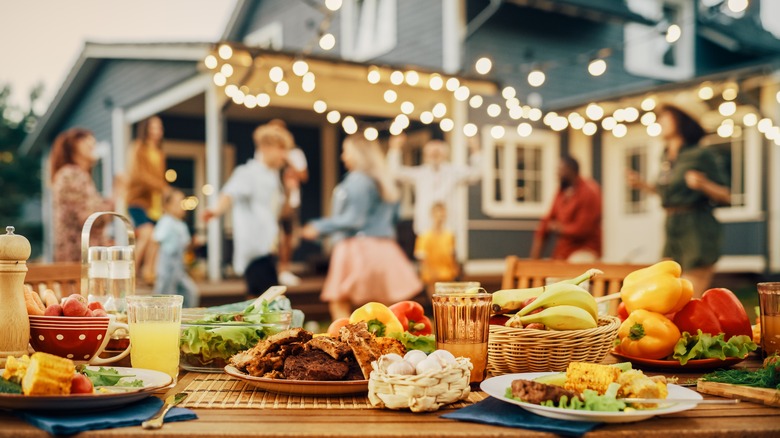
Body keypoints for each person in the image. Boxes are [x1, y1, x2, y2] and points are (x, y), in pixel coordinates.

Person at [301, 135, 422, 321]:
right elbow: (395, 217)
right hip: (385, 249)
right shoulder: (385, 181)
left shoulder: (357, 181)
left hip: (358, 248)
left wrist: (318, 227)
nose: (343, 156)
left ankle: (344, 346)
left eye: (346, 151)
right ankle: (387, 346)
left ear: (358, 154)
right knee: (384, 310)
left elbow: (353, 219)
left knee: (339, 302)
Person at [628, 104, 730, 296]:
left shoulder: (701, 154)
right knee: (665, 289)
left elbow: (726, 195)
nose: (660, 121)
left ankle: (694, 327)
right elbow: (668, 192)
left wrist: (704, 184)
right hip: (672, 225)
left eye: (666, 117)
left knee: (689, 295)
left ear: (682, 121)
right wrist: (642, 185)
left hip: (697, 227)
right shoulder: (666, 156)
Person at [203, 123, 293, 297]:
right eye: (281, 149)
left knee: (261, 298)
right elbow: (229, 193)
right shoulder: (248, 173)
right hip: (254, 249)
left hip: (267, 248)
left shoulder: (273, 176)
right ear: (266, 148)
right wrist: (215, 210)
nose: (285, 155)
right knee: (272, 300)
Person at [49, 128, 125, 262]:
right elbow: (91, 219)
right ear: (73, 146)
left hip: (81, 259)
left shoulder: (79, 175)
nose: (92, 142)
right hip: (78, 261)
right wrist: (116, 193)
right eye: (85, 139)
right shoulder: (71, 175)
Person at [387, 134, 482, 240]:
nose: (435, 155)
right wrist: (394, 149)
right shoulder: (420, 173)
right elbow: (395, 172)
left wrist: (475, 150)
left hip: (448, 226)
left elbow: (476, 174)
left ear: (445, 154)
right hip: (425, 226)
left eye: (438, 152)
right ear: (425, 155)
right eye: (431, 153)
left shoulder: (454, 172)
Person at [530, 155, 603, 262]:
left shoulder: (589, 191)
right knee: (549, 273)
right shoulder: (561, 192)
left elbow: (583, 229)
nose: (557, 174)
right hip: (563, 251)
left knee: (573, 268)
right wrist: (534, 259)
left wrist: (559, 228)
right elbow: (548, 219)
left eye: (560, 170)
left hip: (585, 249)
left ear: (570, 170)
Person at [126, 116, 168, 285]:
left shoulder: (159, 152)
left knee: (155, 238)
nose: (156, 131)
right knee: (146, 233)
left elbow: (159, 179)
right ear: (146, 129)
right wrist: (162, 186)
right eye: (153, 127)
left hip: (154, 203)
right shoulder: (138, 148)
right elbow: (138, 175)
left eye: (159, 127)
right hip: (138, 199)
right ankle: (130, 272)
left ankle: (149, 273)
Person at [268, 119, 308, 287]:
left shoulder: (295, 153)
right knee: (271, 237)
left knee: (287, 236)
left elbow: (304, 176)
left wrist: (287, 159)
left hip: (290, 201)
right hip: (270, 201)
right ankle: (271, 271)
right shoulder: (265, 154)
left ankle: (284, 270)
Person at [152, 189, 198, 308]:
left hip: (179, 269)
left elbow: (185, 247)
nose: (181, 207)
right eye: (177, 203)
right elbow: (156, 242)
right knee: (164, 298)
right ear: (167, 205)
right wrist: (150, 267)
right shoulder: (166, 221)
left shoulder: (181, 225)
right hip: (166, 269)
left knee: (189, 293)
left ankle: (184, 319)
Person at [414, 202, 460, 299]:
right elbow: (421, 257)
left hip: (447, 276)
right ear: (432, 215)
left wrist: (455, 270)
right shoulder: (424, 236)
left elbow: (452, 255)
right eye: (437, 213)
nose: (440, 217)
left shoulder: (449, 235)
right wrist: (428, 273)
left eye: (443, 214)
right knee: (436, 302)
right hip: (431, 277)